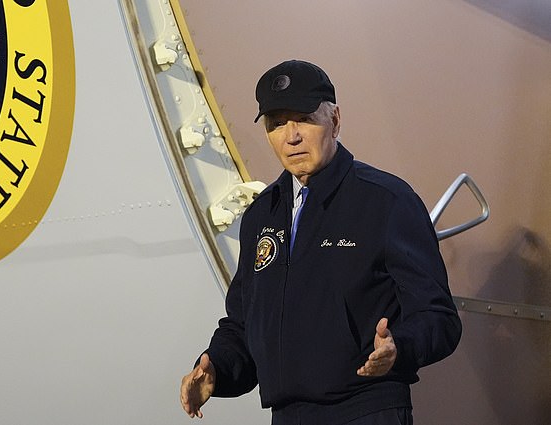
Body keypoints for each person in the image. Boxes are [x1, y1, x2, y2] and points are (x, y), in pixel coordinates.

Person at [180, 60, 462, 424]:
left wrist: (399, 347)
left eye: (304, 118)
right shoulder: (261, 216)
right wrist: (215, 369)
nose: (291, 135)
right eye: (277, 123)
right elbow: (244, 327)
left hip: (367, 409)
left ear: (335, 120)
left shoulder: (386, 201)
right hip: (288, 416)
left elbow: (439, 318)